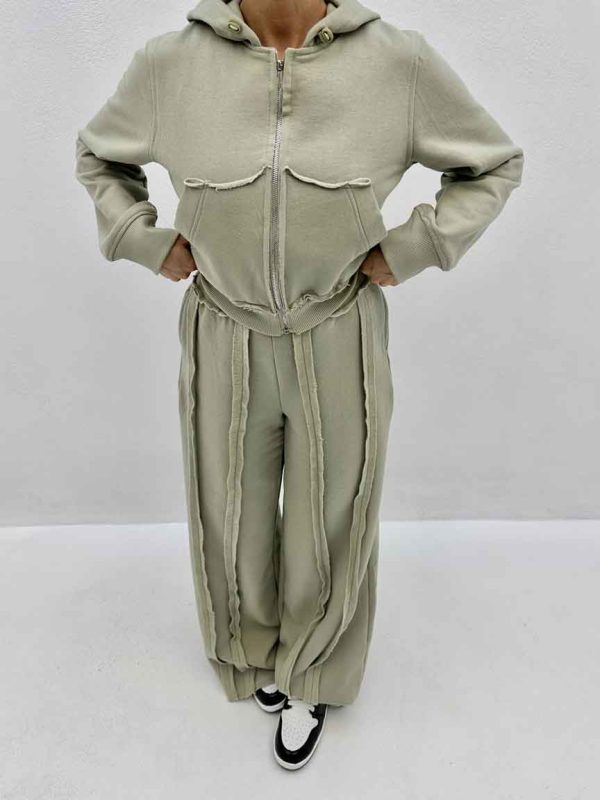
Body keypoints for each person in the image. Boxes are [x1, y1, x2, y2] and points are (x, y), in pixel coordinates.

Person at [74, 0, 524, 771]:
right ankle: (252, 651)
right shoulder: (168, 64)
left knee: (333, 512)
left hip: (337, 326)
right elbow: (98, 156)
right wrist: (143, 240)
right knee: (230, 507)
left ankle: (312, 672)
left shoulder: (397, 61)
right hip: (222, 326)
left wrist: (414, 248)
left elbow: (492, 163)